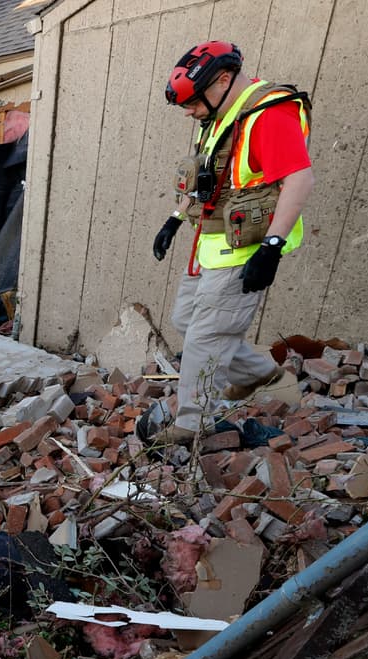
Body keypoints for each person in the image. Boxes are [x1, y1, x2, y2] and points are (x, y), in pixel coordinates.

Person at [150, 41, 314, 445]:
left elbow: (299, 179)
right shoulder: (221, 116)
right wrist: (173, 221)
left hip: (247, 248)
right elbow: (206, 178)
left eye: (192, 103)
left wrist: (272, 247)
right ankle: (259, 374)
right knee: (187, 321)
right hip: (213, 244)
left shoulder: (268, 114)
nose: (189, 112)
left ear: (223, 80)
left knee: (207, 336)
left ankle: (192, 424)